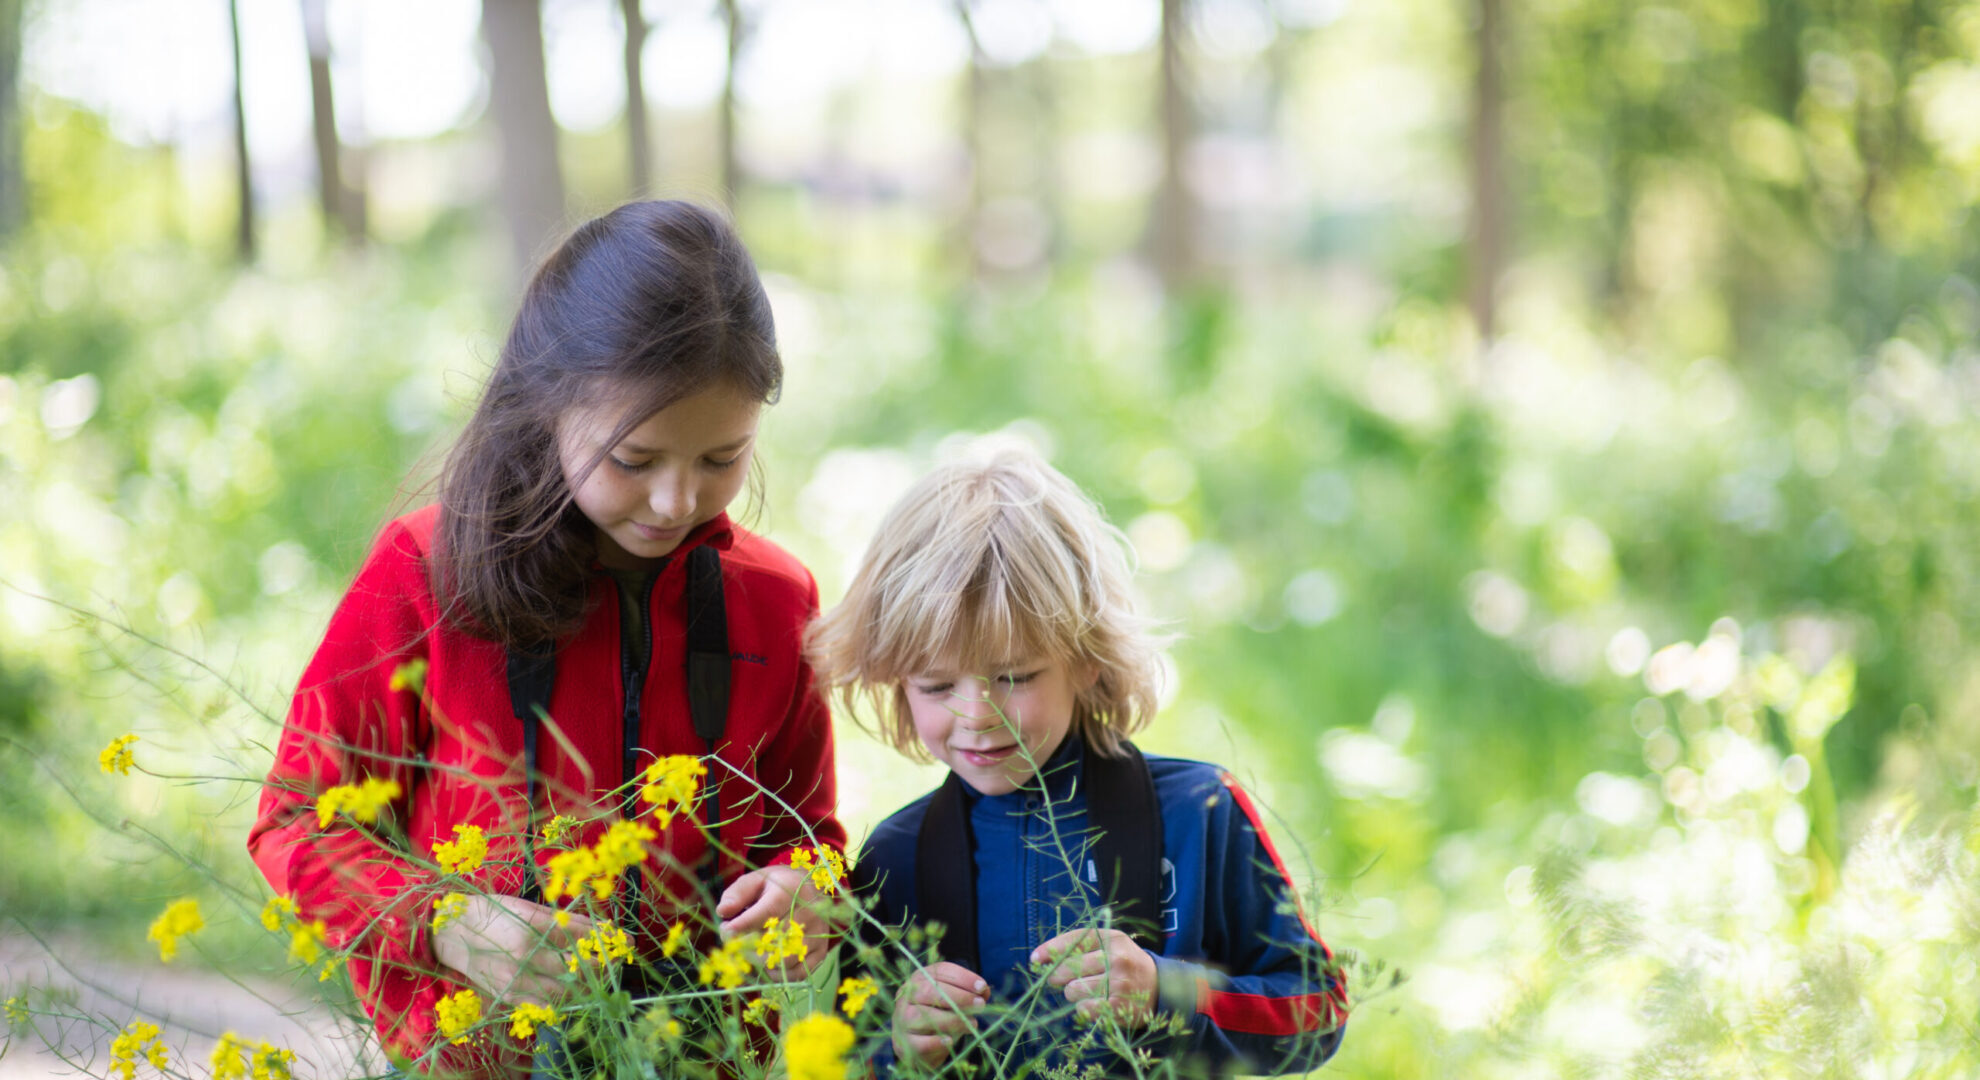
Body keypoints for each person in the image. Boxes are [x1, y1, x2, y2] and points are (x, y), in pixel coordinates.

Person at [247, 200, 846, 1076]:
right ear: (546, 404)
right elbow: (293, 824)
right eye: (635, 460)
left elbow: (811, 834)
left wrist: (806, 892)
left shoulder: (778, 598)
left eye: (722, 458)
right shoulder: (421, 572)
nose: (678, 502)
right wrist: (451, 926)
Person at [809, 448, 1347, 1078]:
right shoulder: (894, 857)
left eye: (1014, 675)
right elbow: (846, 1057)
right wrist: (900, 1052)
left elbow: (1320, 1010)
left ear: (1086, 656)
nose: (979, 713)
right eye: (935, 685)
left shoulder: (1199, 811)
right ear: (895, 681)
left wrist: (1166, 990)